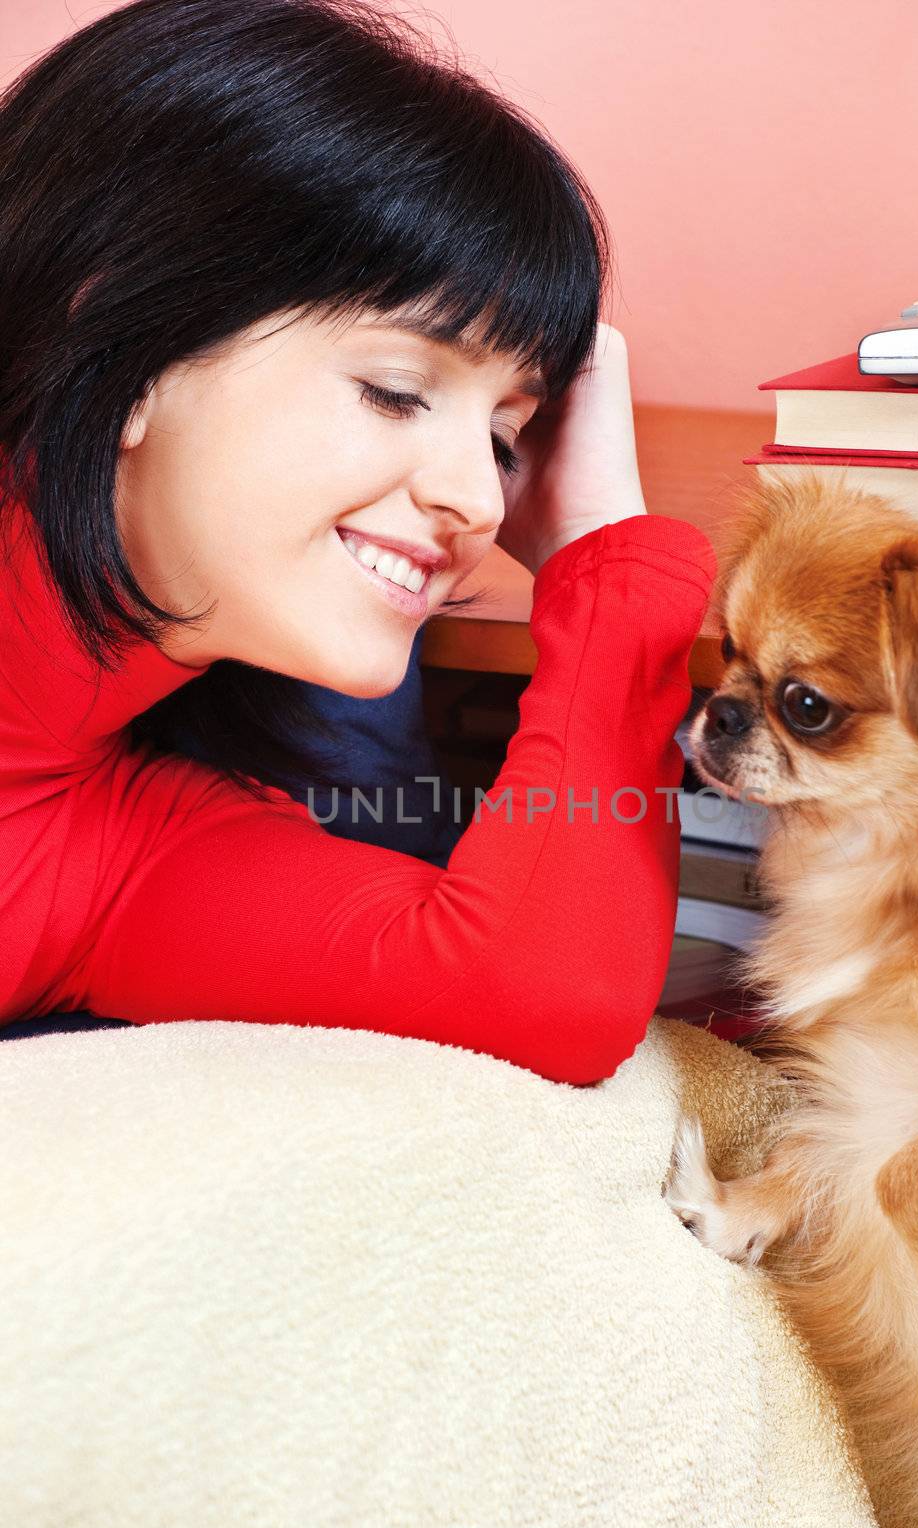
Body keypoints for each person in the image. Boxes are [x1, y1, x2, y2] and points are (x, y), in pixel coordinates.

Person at [0, 0, 717, 1082]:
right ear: (117, 344)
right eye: (393, 392)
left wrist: (601, 557)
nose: (476, 499)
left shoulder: (113, 847)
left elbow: (542, 994)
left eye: (504, 438)